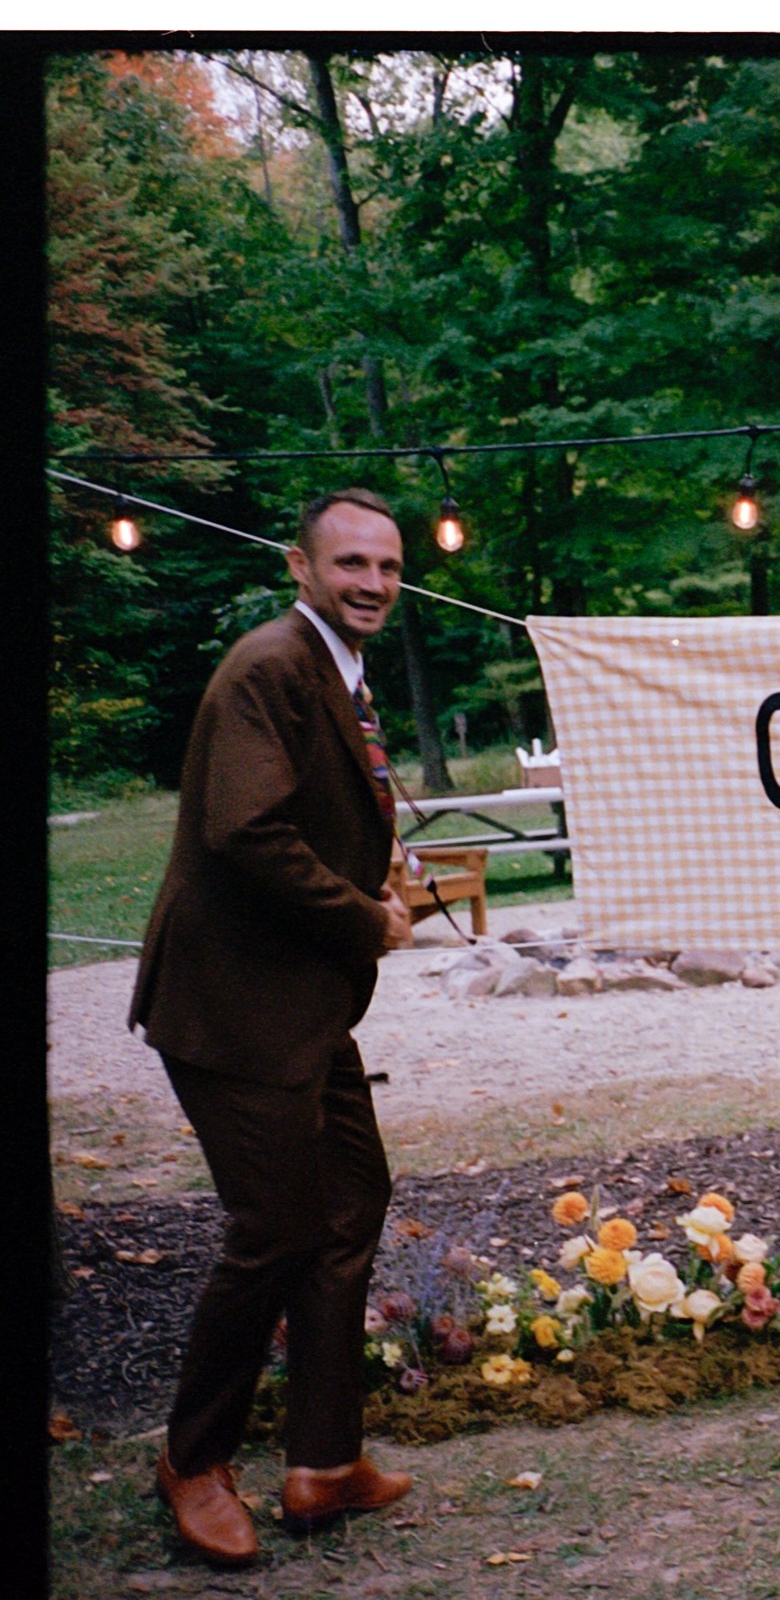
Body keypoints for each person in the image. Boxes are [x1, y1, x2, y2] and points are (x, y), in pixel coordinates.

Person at [128, 488, 419, 1565]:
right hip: (232, 1010)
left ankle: (323, 1461)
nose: (373, 585)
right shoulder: (268, 666)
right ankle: (191, 1462)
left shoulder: (338, 669)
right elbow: (245, 830)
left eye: (386, 568)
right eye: (350, 565)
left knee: (351, 1200)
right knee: (276, 1231)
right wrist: (367, 920)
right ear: (299, 567)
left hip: (301, 1008)